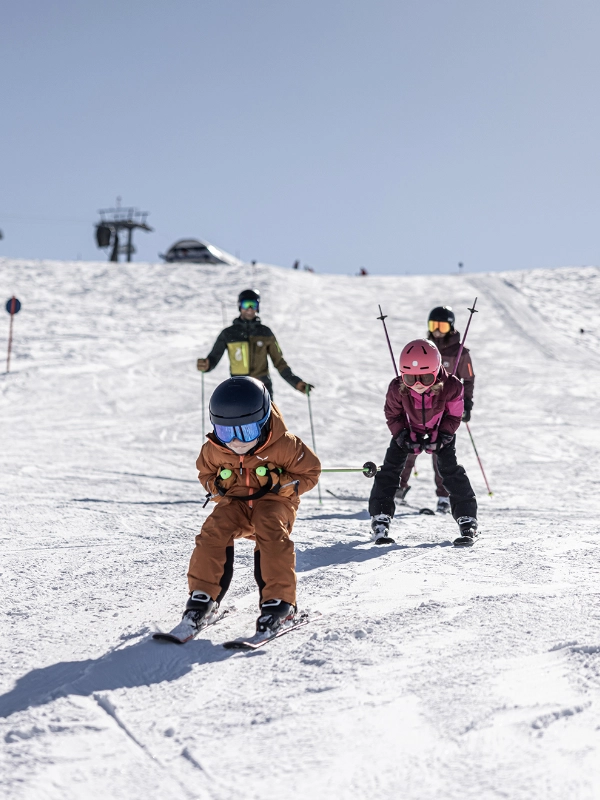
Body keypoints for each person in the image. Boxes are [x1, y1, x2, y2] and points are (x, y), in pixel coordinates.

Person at [183, 376, 321, 636]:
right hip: (235, 502)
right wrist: (218, 487)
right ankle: (203, 598)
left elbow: (311, 472)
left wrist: (281, 481)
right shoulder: (214, 450)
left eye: (246, 431)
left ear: (264, 420)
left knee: (270, 530)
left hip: (274, 502)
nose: (236, 442)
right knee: (214, 529)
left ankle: (280, 603)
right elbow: (205, 474)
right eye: (226, 432)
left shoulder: (286, 445)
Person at [369, 339, 478, 547]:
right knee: (390, 470)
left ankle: (467, 519)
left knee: (450, 470)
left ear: (436, 371)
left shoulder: (452, 386)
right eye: (410, 378)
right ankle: (380, 518)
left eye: (426, 377)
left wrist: (443, 436)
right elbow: (392, 415)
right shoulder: (397, 388)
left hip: (440, 430)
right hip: (408, 431)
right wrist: (402, 435)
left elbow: (454, 416)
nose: (417, 384)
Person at [396, 306, 475, 513]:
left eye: (442, 326)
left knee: (440, 452)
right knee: (409, 448)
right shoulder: (426, 349)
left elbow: (468, 379)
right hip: (419, 406)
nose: (437, 330)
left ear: (451, 327)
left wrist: (466, 403)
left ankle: (443, 496)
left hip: (445, 409)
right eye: (433, 325)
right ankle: (398, 488)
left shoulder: (461, 353)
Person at [197, 289, 312, 399]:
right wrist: (207, 365)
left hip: (262, 387)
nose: (250, 309)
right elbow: (214, 357)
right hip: (238, 387)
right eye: (246, 304)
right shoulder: (229, 333)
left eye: (254, 304)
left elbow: (279, 362)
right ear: (239, 306)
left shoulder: (265, 333)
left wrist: (296, 382)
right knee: (240, 419)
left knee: (267, 419)